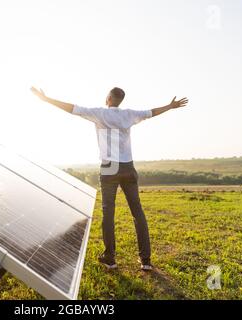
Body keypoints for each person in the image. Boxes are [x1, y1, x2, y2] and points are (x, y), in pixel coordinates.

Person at [30, 86, 188, 271]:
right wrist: (170, 106)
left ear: (108, 98)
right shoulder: (129, 114)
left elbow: (72, 108)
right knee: (138, 213)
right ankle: (145, 261)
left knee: (108, 213)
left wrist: (46, 99)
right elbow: (151, 112)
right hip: (128, 166)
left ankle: (110, 258)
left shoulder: (99, 113)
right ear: (120, 100)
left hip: (110, 167)